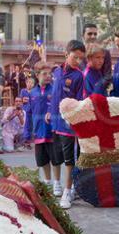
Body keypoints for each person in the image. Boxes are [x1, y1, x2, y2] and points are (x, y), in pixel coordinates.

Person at [47, 40, 85, 209]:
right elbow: (53, 94)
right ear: (66, 53)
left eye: (80, 58)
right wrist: (49, 110)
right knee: (56, 157)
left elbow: (79, 102)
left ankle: (68, 192)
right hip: (54, 122)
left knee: (70, 160)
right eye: (75, 57)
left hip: (68, 126)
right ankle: (57, 184)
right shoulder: (55, 71)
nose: (77, 61)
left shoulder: (79, 76)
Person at [23, 62, 63, 190]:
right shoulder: (32, 93)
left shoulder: (55, 90)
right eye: (44, 74)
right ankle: (47, 181)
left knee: (55, 158)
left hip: (52, 130)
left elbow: (60, 107)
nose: (47, 76)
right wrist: (27, 133)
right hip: (38, 131)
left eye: (49, 74)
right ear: (36, 75)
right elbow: (28, 114)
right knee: (43, 160)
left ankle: (57, 182)